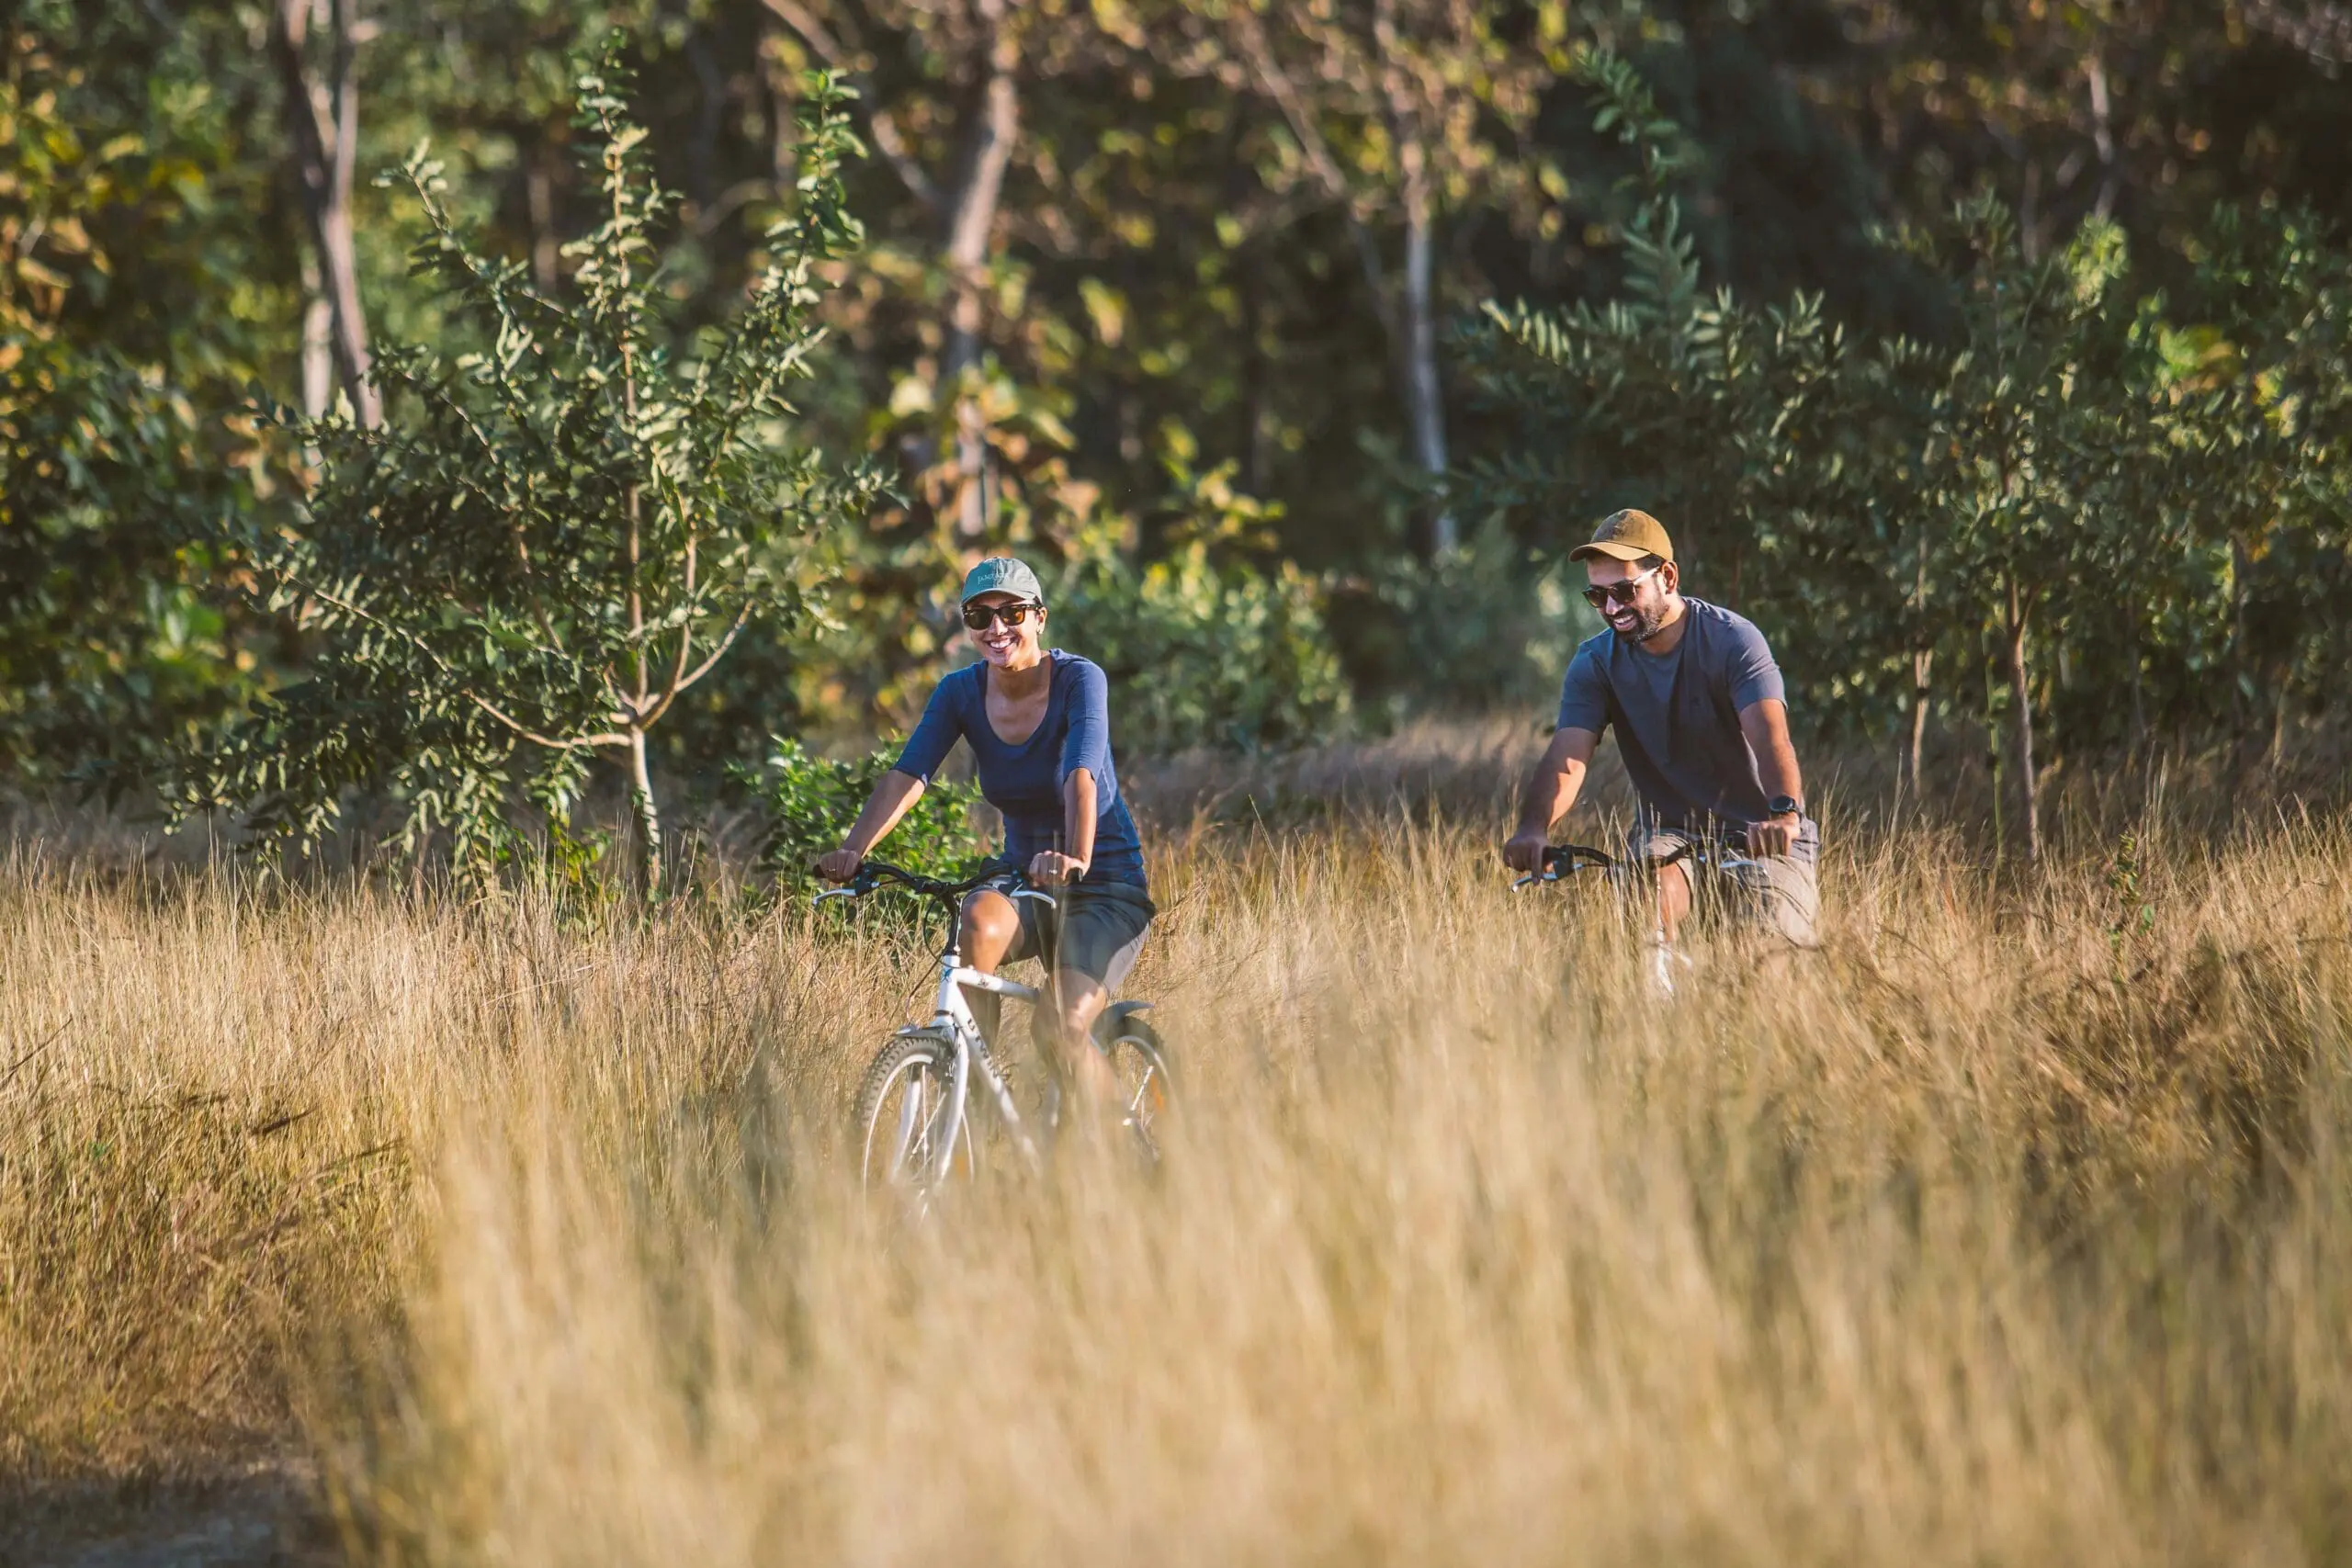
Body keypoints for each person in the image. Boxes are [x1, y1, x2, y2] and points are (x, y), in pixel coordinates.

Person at [817, 556, 1153, 1107]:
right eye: (979, 615)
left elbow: (1081, 773)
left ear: (1039, 617)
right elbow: (909, 774)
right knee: (975, 917)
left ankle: (1133, 1157)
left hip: (1101, 885)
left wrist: (1074, 856)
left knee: (1060, 1027)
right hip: (1026, 880)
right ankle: (974, 1109)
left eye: (1011, 612)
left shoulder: (1078, 679)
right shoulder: (959, 693)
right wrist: (853, 850)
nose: (997, 628)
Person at [1501, 509, 1819, 994]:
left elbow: (1770, 735)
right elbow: (1567, 756)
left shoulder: (1732, 640)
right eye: (1597, 596)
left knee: (1770, 964)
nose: (1611, 608)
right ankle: (1654, 1033)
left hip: (1762, 833)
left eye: (1624, 591)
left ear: (1667, 576)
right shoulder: (1595, 662)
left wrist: (1783, 811)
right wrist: (1533, 828)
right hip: (1668, 833)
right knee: (1640, 909)